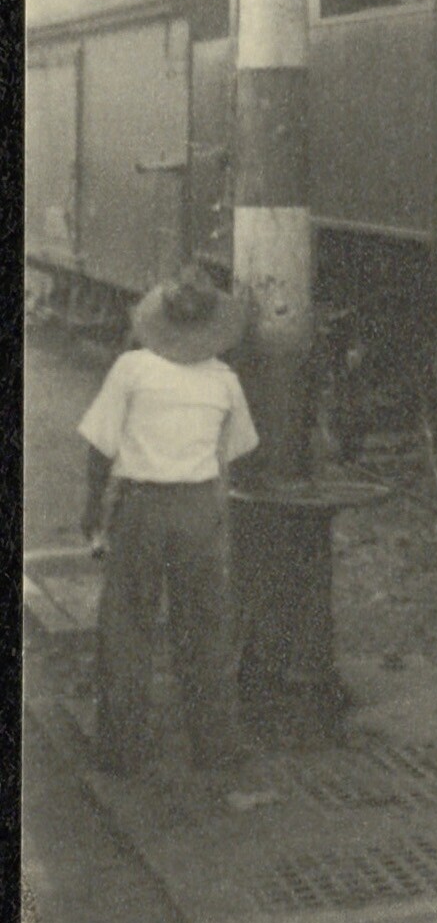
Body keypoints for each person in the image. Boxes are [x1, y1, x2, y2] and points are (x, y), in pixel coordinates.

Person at [78, 268, 258, 778]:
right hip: (198, 512)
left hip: (140, 510)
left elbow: (99, 447)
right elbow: (235, 449)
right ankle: (214, 746)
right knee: (204, 627)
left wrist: (92, 510)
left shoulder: (131, 369)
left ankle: (123, 750)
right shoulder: (224, 380)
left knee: (127, 626)